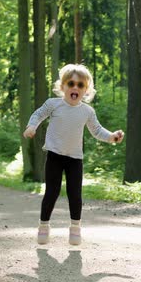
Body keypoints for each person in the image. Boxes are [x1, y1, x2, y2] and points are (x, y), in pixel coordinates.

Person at [23, 64, 124, 245]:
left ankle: (75, 228)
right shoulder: (53, 104)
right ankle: (44, 226)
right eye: (71, 84)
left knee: (75, 194)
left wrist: (112, 137)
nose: (75, 88)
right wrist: (32, 127)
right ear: (62, 87)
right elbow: (38, 115)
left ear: (86, 90)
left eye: (80, 85)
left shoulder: (87, 111)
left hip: (75, 159)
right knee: (51, 192)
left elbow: (97, 130)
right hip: (54, 155)